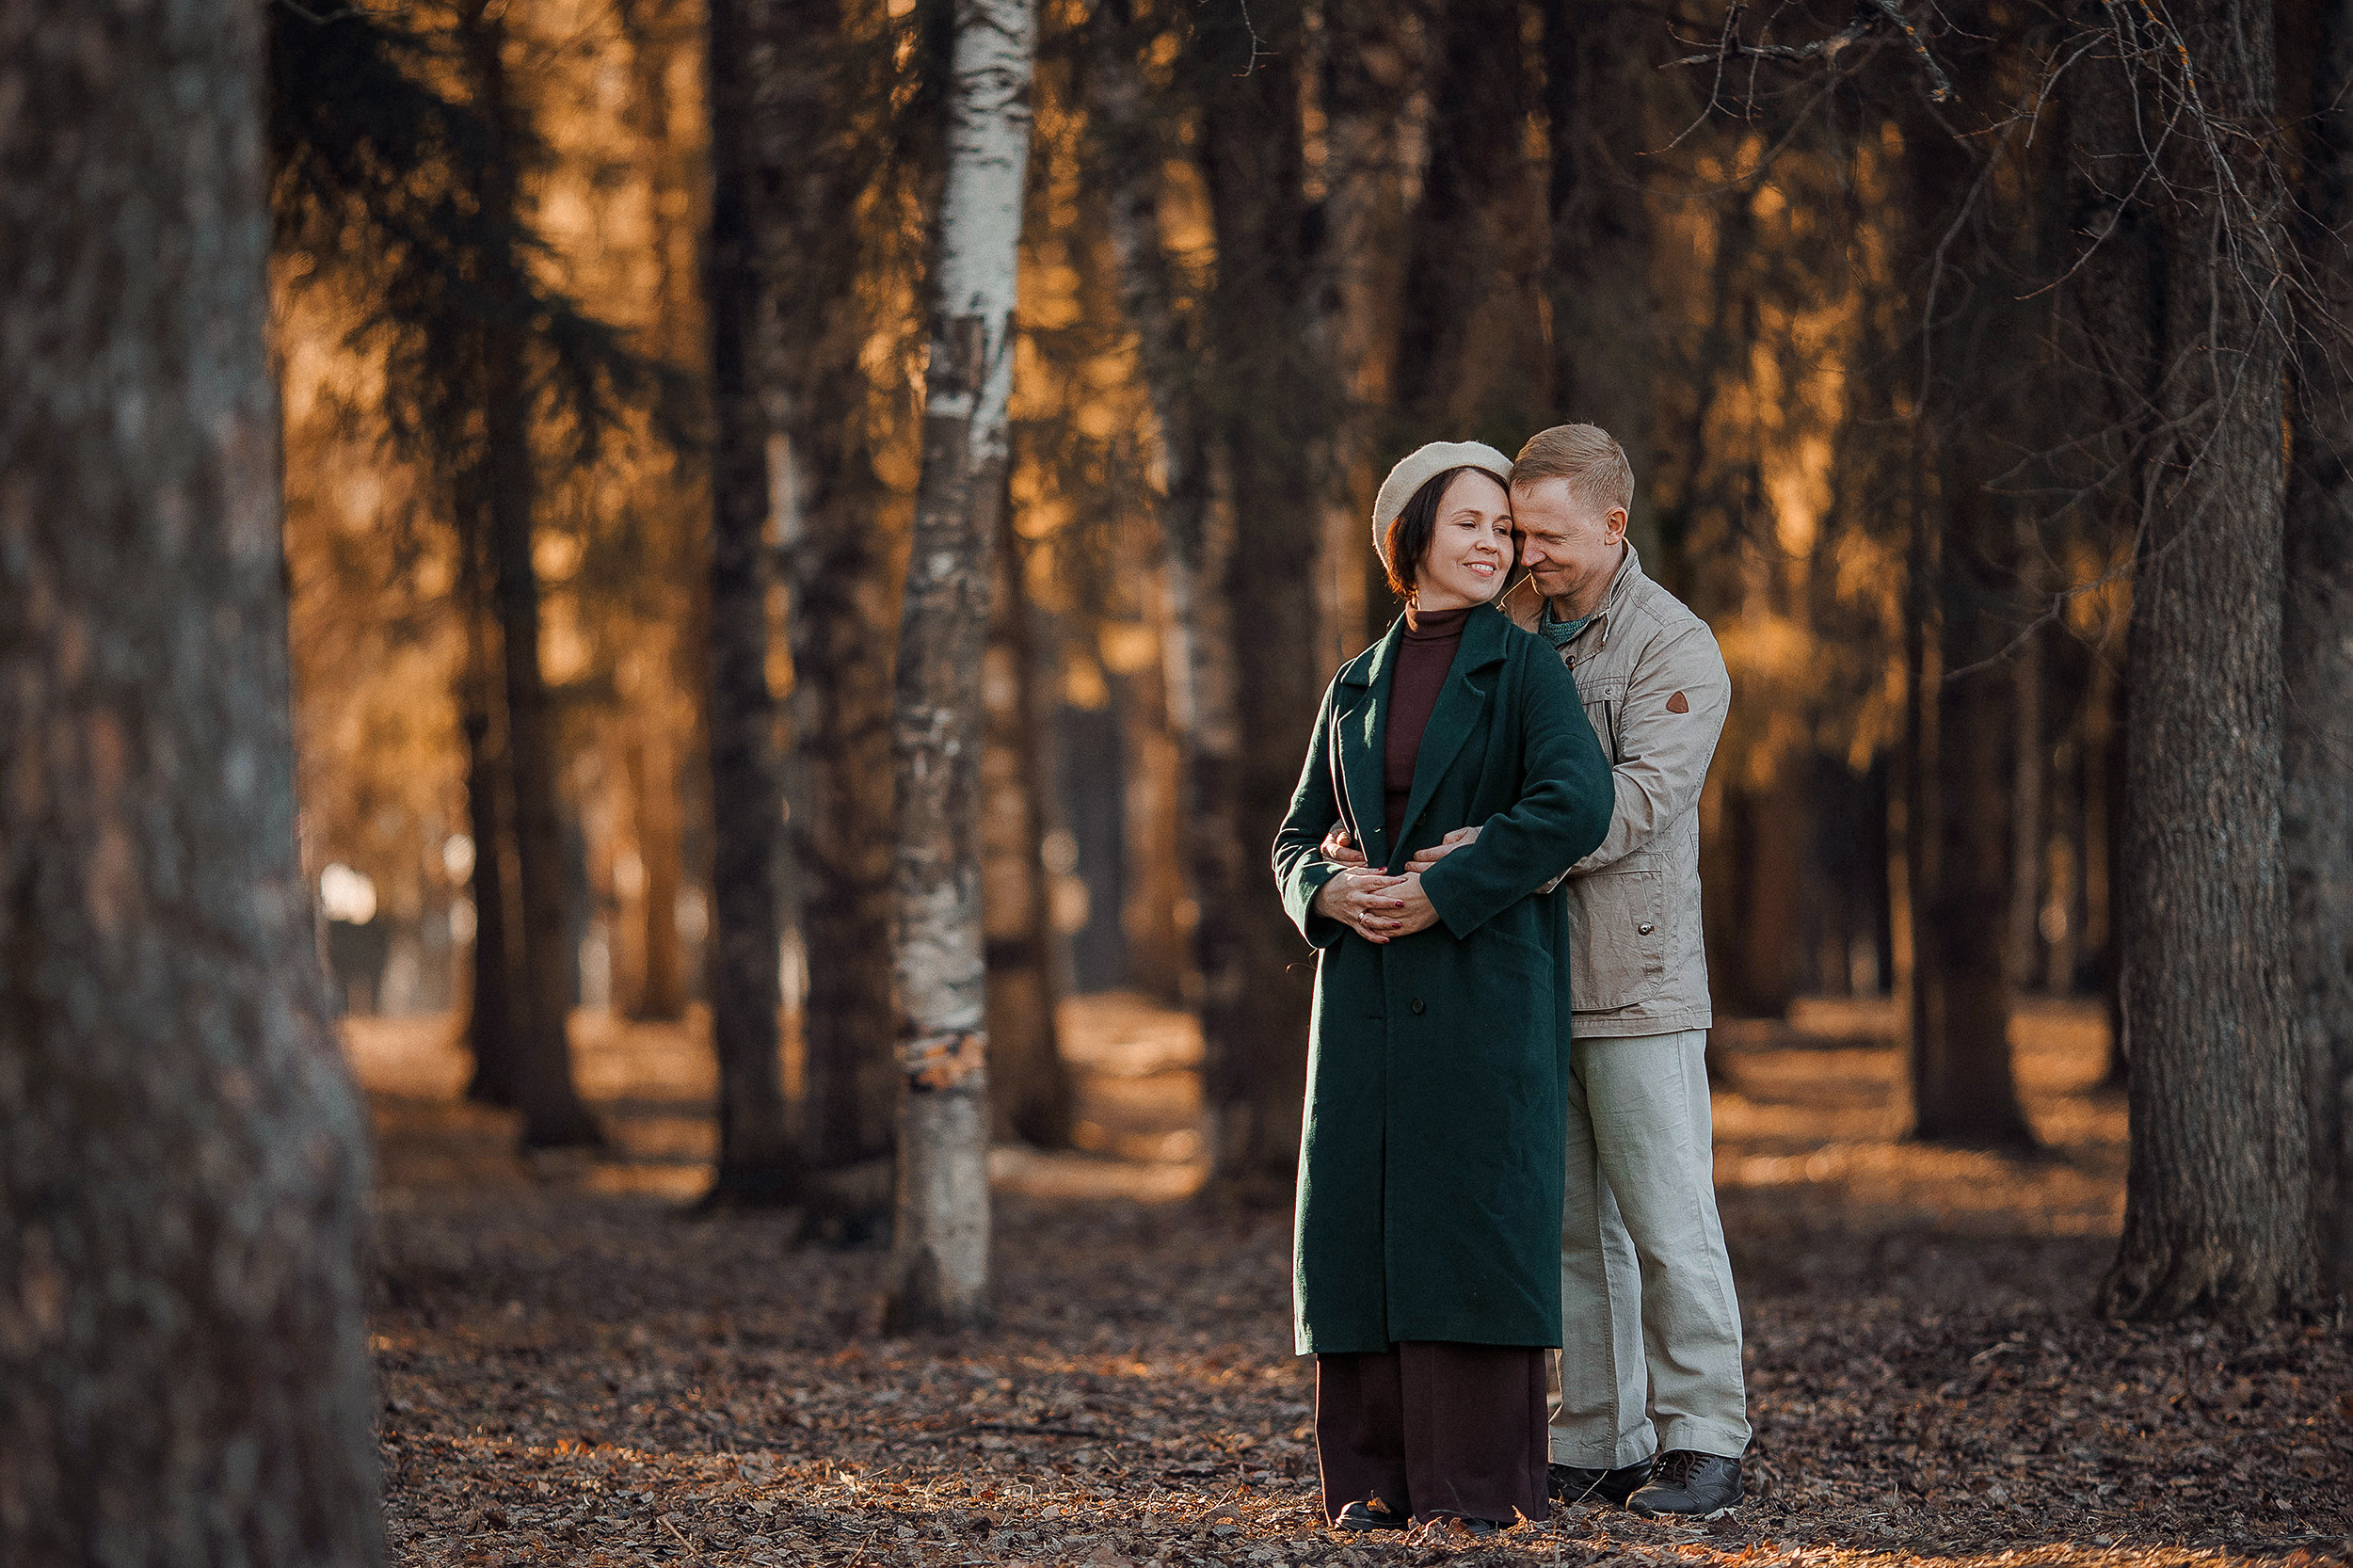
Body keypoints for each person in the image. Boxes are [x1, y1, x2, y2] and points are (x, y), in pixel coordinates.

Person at [1337, 424, 1745, 1520]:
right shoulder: (1514, 626)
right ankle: (1599, 1437)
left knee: (1665, 1216)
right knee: (1564, 1228)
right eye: (1515, 533)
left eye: (1548, 537)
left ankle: (1704, 1435)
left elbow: (1637, 801)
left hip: (1634, 975)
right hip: (1519, 982)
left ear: (1614, 525)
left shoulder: (1673, 645)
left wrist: (1491, 850)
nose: (1526, 555)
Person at [1273, 440, 1615, 1544]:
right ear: (1408, 536)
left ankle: (1476, 1487)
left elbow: (1575, 803)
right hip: (1366, 1000)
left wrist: (1448, 888)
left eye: (1504, 531)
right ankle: (1369, 1480)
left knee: (1465, 1223)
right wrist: (1328, 892)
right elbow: (1288, 841)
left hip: (1476, 985)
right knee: (1364, 1228)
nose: (1494, 545)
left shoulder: (1523, 669)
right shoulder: (1354, 681)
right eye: (1470, 523)